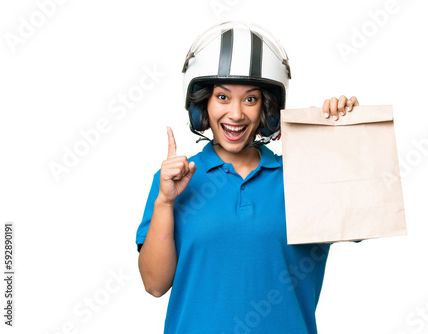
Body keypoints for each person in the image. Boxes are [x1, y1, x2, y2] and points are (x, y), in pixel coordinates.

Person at [136, 22, 359, 333]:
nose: (237, 114)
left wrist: (343, 136)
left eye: (251, 99)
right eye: (223, 97)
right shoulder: (172, 181)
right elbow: (155, 284)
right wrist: (164, 201)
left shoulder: (303, 176)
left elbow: (365, 215)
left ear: (266, 111)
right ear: (202, 106)